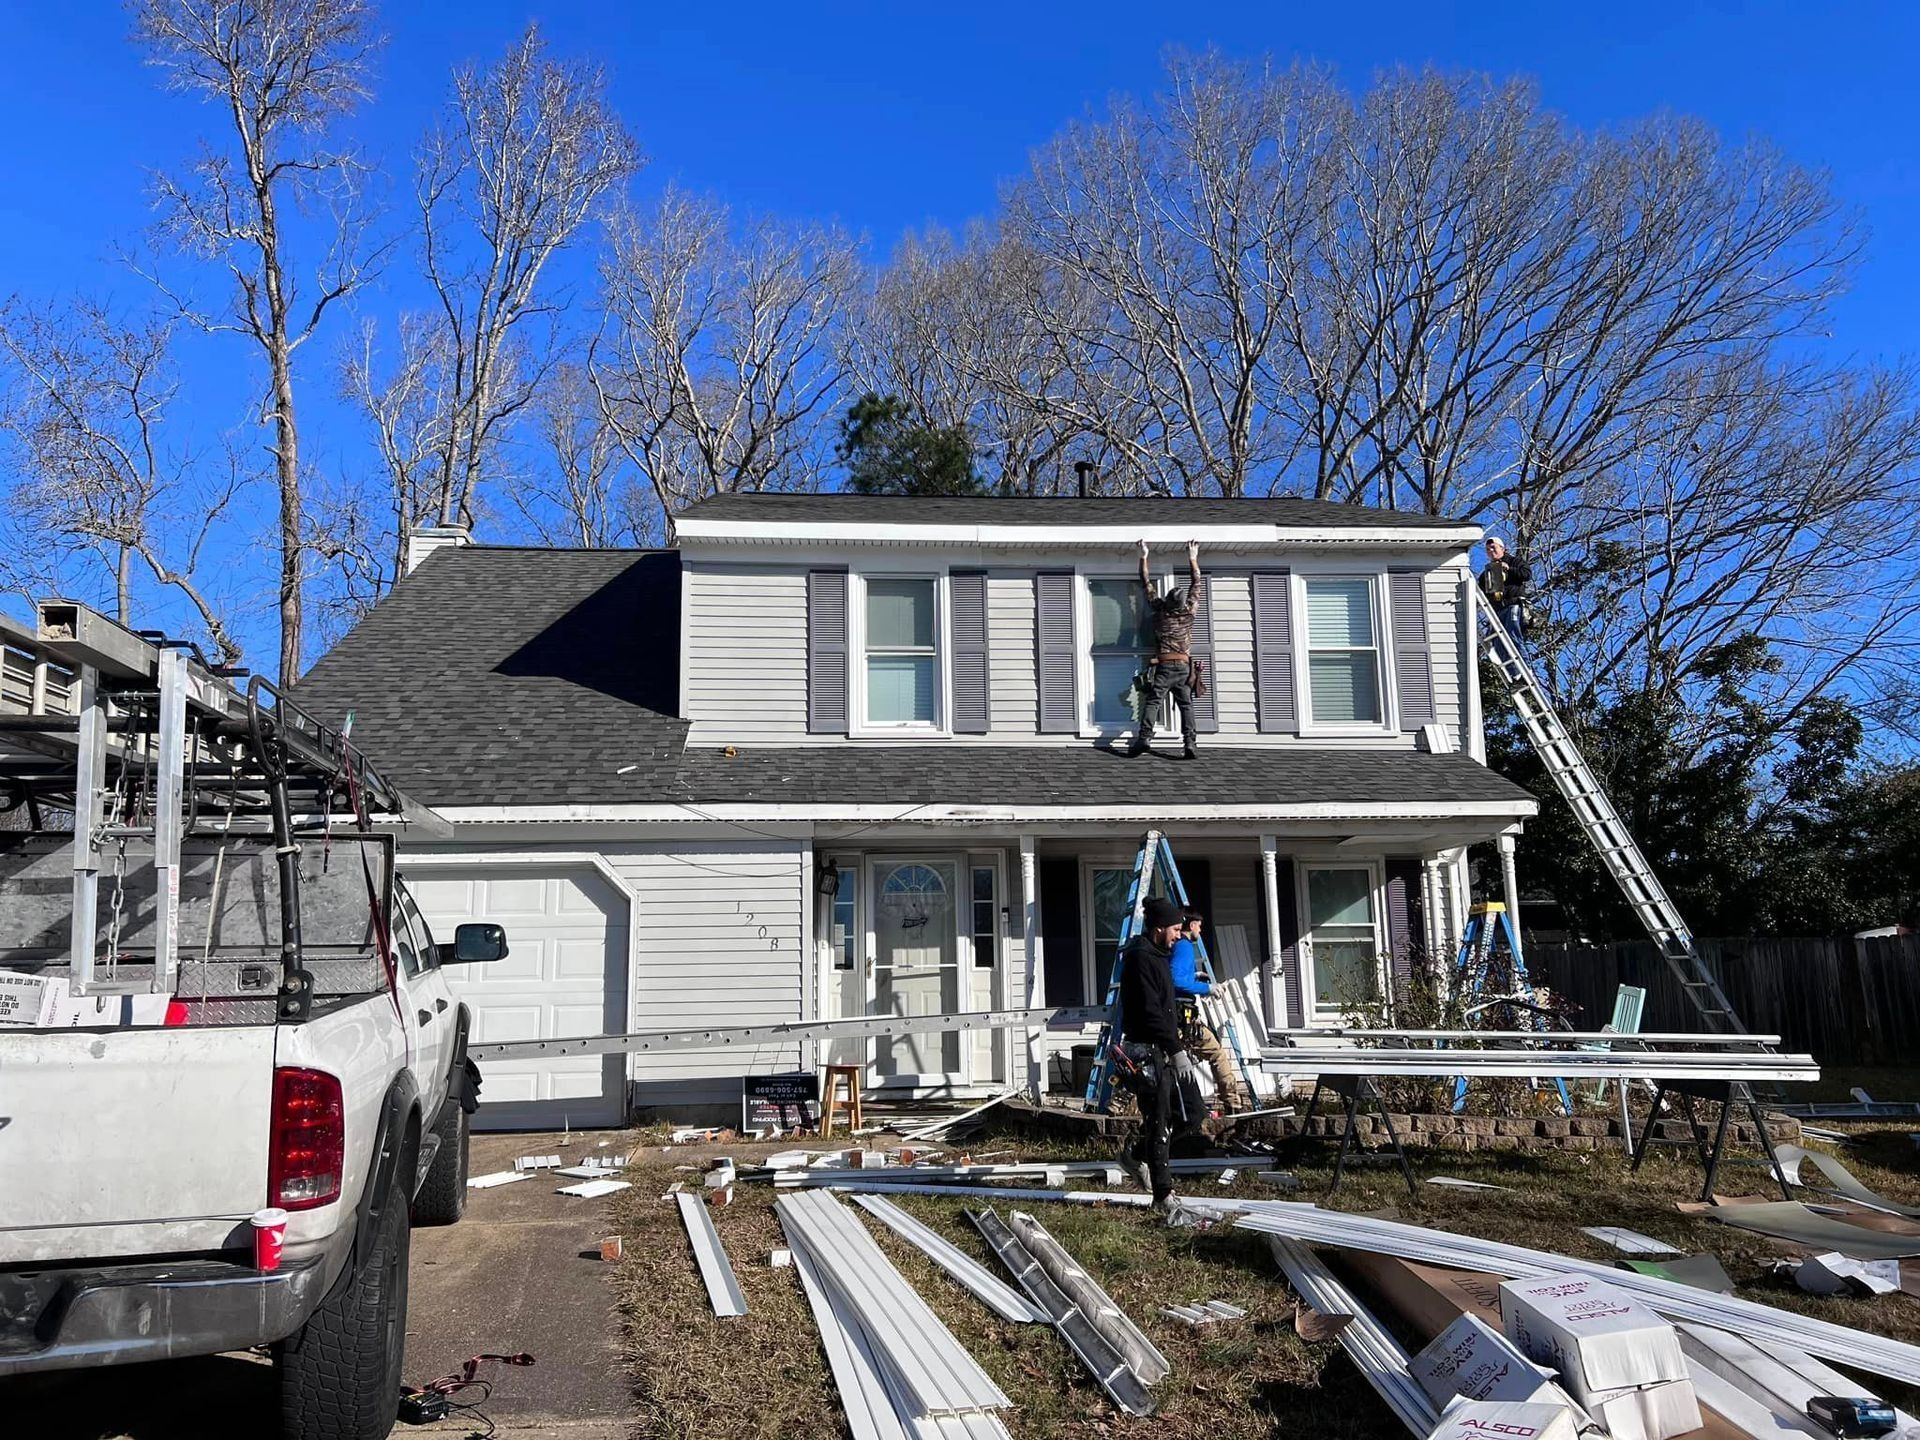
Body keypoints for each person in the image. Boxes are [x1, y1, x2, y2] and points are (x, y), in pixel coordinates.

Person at [1115, 896, 1202, 1206]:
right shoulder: (1140, 959)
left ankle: (1136, 1153)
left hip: (1167, 1046)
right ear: (1159, 928)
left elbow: (1165, 1004)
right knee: (1159, 1120)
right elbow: (1151, 1012)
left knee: (1192, 1114)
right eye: (1175, 929)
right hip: (1146, 1050)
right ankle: (1163, 1195)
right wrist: (1175, 1050)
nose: (1179, 935)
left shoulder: (1159, 955)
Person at [1126, 539, 1204, 760]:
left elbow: (1145, 582)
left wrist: (1143, 556)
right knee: (1186, 705)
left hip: (1164, 665)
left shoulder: (1160, 610)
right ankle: (1190, 743)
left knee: (1153, 701)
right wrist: (1192, 557)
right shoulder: (1189, 611)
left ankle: (1144, 738)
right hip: (1184, 667)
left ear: (1167, 601)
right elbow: (1196, 582)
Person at [1170, 907, 1251, 1116]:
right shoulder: (1185, 946)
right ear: (1191, 924)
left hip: (1175, 1016)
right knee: (1217, 1054)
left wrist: (1194, 975)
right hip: (1182, 1018)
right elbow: (1176, 980)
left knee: (1154, 1061)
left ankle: (1116, 1104)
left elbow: (1179, 975)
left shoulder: (1176, 946)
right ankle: (1232, 1104)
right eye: (1199, 925)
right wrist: (1207, 988)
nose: (1200, 930)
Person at [1478, 536, 1532, 644]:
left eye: (1493, 547)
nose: (1491, 551)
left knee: (1513, 637)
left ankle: (1522, 659)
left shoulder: (1514, 561)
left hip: (1513, 605)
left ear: (1502, 549)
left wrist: (1509, 569)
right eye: (1488, 549)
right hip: (1498, 609)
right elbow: (1482, 591)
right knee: (1497, 643)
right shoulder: (1487, 573)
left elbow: (1527, 574)